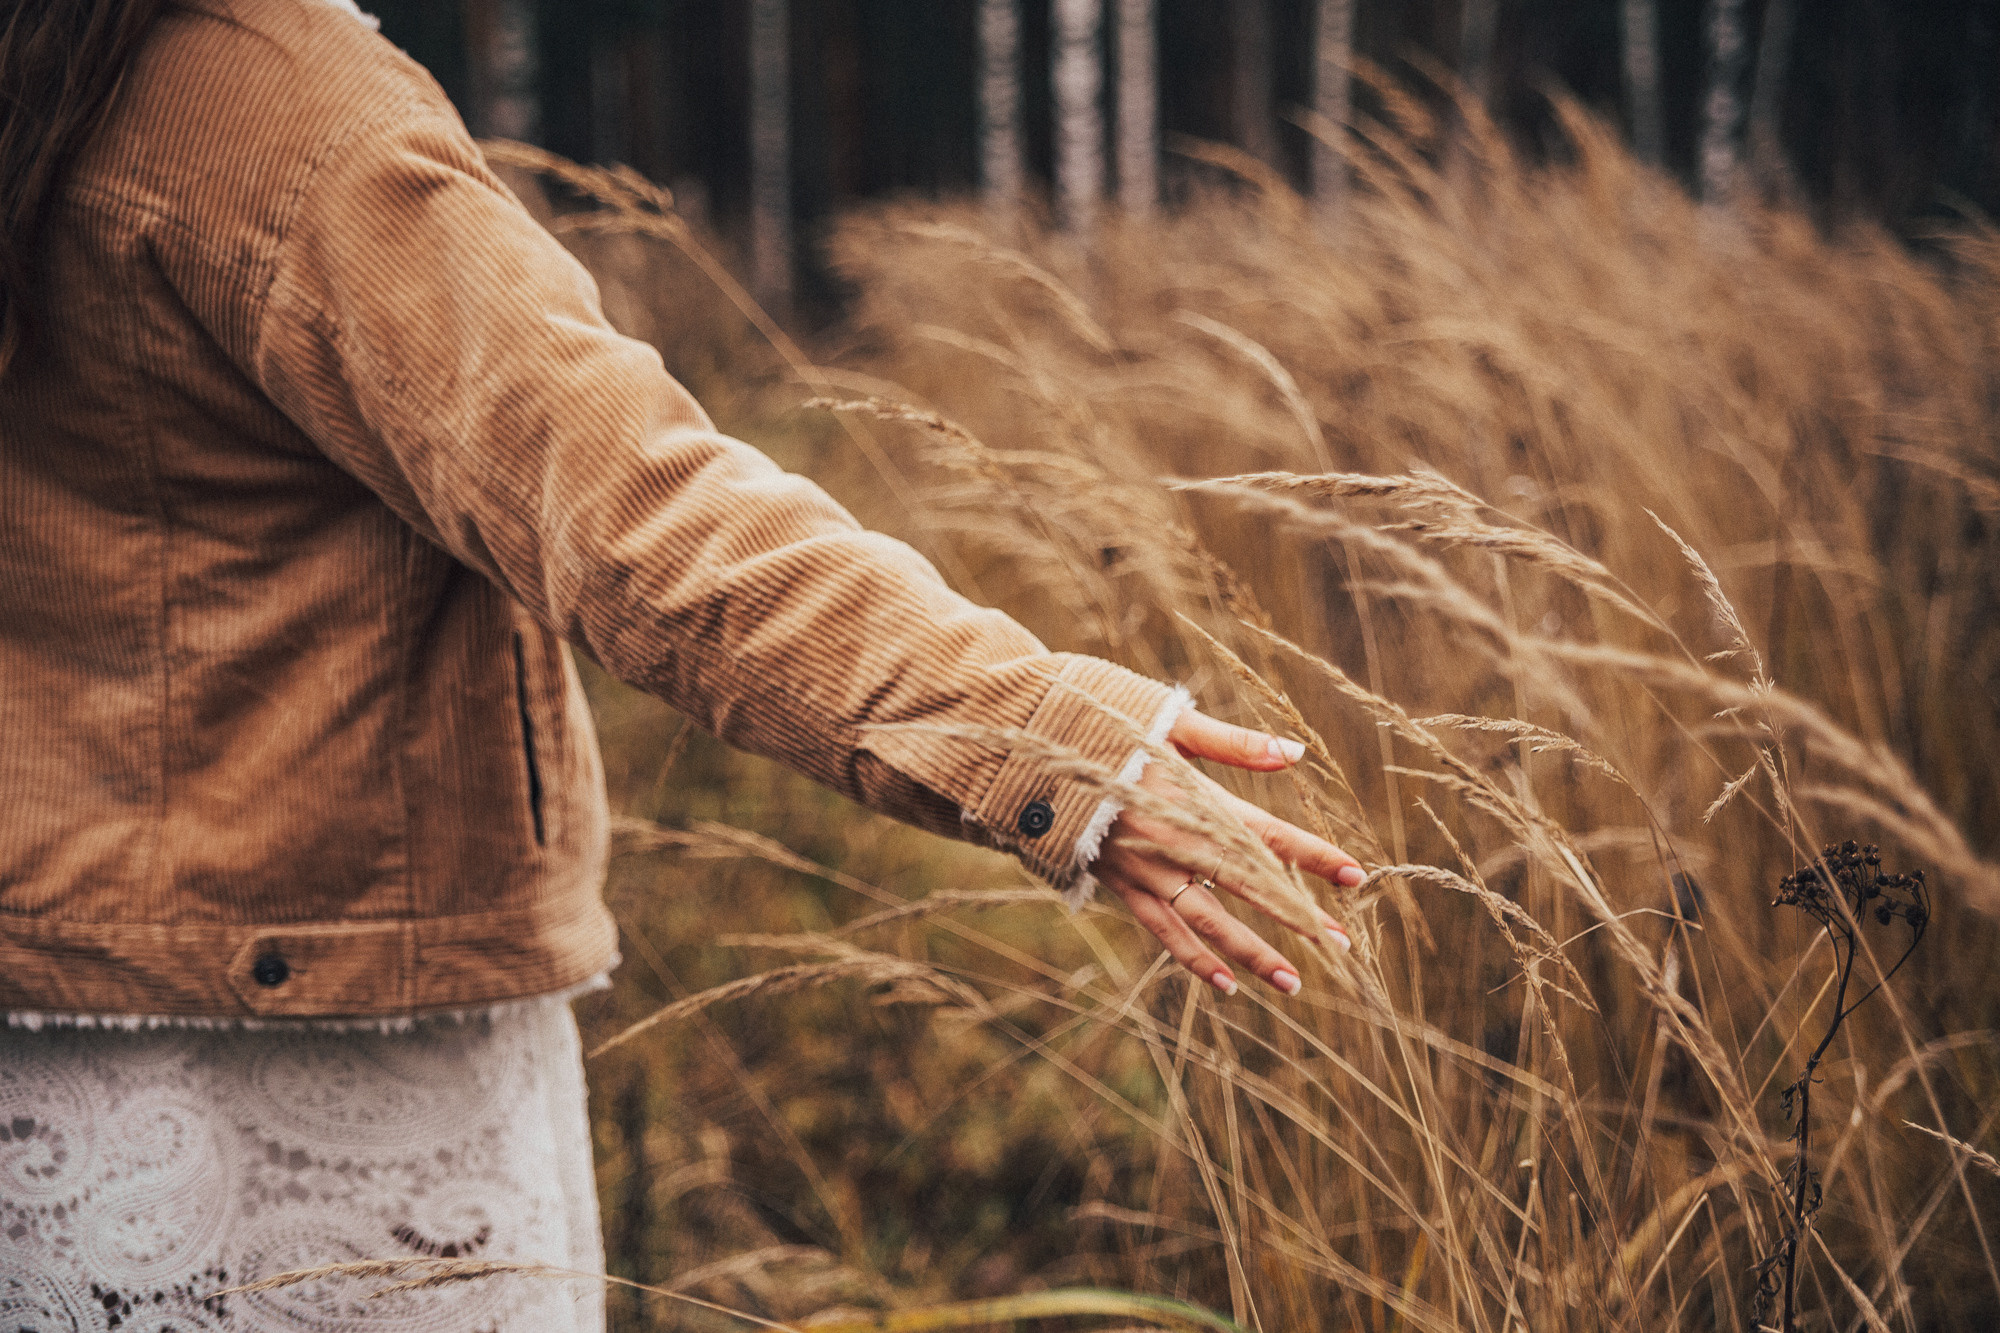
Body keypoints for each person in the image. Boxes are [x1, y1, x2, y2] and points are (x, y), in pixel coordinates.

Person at [0, 0, 1363, 1327]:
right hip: (302, 1045)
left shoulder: (71, 69)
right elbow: (628, 506)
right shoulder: (262, 101)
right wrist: (1044, 745)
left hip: (60, 1025)